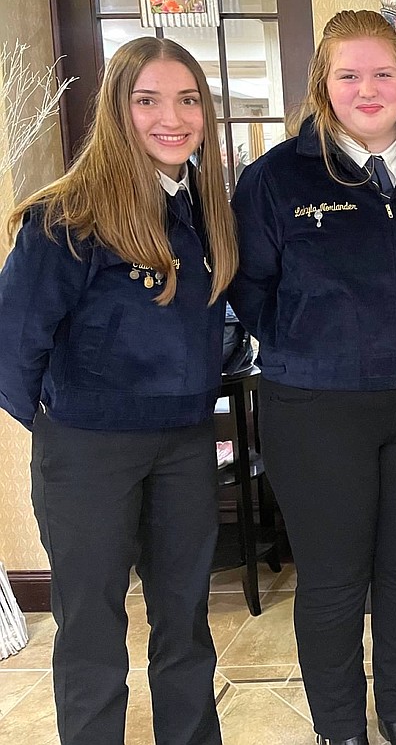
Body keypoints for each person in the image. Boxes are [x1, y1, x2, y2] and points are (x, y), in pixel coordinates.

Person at [229, 10, 396, 745]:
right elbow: (252, 290)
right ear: (323, 84)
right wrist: (317, 343)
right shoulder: (276, 178)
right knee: (335, 581)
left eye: (383, 73)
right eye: (349, 75)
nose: (368, 89)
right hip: (317, 407)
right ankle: (341, 729)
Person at [0, 37, 238, 745]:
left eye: (188, 99)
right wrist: (66, 424)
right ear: (116, 109)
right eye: (148, 100)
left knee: (185, 620)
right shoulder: (65, 217)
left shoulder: (201, 210)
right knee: (93, 628)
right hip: (89, 451)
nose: (172, 116)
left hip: (186, 445)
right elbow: (13, 346)